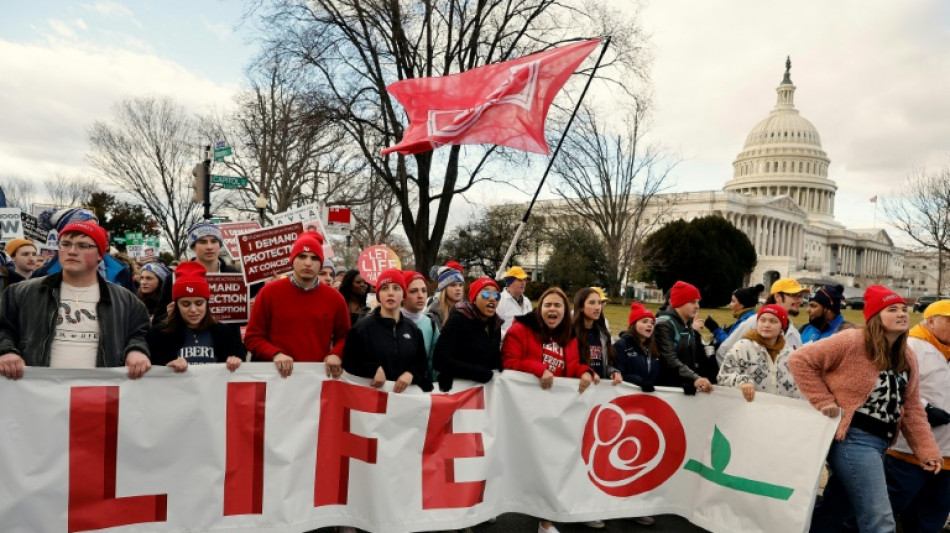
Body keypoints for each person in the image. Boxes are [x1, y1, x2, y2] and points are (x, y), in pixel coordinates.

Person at [789, 285, 941, 533]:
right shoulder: (852, 340)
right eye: (892, 309)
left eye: (904, 308)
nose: (902, 313)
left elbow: (911, 408)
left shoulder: (907, 356)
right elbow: (800, 360)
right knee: (880, 521)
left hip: (881, 444)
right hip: (852, 439)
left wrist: (927, 450)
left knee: (836, 511)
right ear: (875, 316)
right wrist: (822, 399)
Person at [0, 221, 151, 380]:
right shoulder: (21, 293)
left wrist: (136, 350)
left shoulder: (125, 300)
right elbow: (4, 329)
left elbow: (139, 334)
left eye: (82, 246)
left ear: (100, 254)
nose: (72, 251)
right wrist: (6, 351)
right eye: (65, 244)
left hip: (99, 394)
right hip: (39, 393)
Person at [501, 286, 593, 533]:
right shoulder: (520, 329)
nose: (553, 309)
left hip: (555, 413)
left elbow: (571, 366)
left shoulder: (569, 335)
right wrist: (538, 369)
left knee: (554, 468)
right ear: (539, 308)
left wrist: (585, 372)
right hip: (524, 412)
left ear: (565, 311)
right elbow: (509, 362)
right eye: (548, 305)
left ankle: (546, 522)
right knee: (521, 466)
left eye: (558, 306)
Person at [244, 231, 348, 379]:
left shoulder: (335, 298)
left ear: (321, 262)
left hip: (316, 381)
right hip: (276, 380)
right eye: (302, 256)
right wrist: (275, 354)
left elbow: (345, 336)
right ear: (292, 259)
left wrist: (336, 353)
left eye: (314, 258)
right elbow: (253, 337)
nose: (308, 263)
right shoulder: (269, 293)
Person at [884, 300, 950, 532]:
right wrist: (925, 408)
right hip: (908, 453)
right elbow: (892, 385)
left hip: (947, 456)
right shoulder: (911, 346)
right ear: (930, 321)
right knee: (887, 512)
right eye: (949, 320)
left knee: (930, 517)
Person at [342, 268, 433, 392]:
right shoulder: (361, 329)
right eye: (385, 288)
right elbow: (348, 362)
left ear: (403, 295)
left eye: (396, 288)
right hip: (371, 401)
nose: (390, 293)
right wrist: (372, 369)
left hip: (405, 402)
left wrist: (411, 374)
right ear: (378, 295)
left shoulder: (414, 330)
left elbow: (421, 365)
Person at [145, 262, 243, 371]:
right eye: (186, 304)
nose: (193, 310)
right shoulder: (158, 335)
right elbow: (151, 375)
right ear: (176, 305)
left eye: (199, 303)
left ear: (207, 304)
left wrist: (235, 361)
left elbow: (239, 368)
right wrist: (166, 368)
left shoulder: (223, 333)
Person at [32, 208, 135, 292]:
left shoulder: (121, 271)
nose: (93, 233)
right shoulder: (42, 275)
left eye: (95, 228)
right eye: (84, 230)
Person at [717, 304, 800, 401]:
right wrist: (742, 382)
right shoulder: (742, 347)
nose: (766, 325)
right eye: (762, 320)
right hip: (749, 410)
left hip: (781, 411)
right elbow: (723, 377)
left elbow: (799, 389)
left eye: (773, 321)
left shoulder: (790, 355)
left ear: (782, 328)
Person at [433, 276, 503, 392]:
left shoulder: (495, 324)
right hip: (455, 390)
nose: (492, 299)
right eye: (486, 294)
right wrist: (477, 372)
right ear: (474, 299)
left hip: (483, 391)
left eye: (496, 295)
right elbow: (440, 360)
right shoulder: (459, 320)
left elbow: (493, 357)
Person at [717, 278, 808, 360]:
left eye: (801, 296)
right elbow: (724, 352)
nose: (800, 300)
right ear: (777, 297)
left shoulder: (794, 334)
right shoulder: (754, 322)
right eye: (795, 296)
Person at [654, 281, 716, 393]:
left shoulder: (686, 323)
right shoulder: (664, 324)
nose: (697, 306)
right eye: (692, 302)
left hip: (684, 384)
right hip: (667, 389)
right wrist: (694, 378)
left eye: (698, 302)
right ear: (679, 302)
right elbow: (669, 359)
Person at [571, 288, 621, 386]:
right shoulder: (570, 333)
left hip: (598, 391)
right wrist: (585, 372)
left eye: (599, 303)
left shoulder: (603, 334)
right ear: (581, 306)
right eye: (592, 303)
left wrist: (613, 372)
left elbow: (605, 364)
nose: (598, 307)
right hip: (576, 389)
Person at [705, 283, 763, 358]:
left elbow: (729, 345)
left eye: (733, 301)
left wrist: (715, 329)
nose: (730, 304)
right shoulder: (746, 318)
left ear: (742, 304)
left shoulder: (746, 322)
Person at [401, 270, 439, 382]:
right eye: (413, 291)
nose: (421, 296)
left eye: (424, 291)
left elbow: (434, 362)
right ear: (403, 294)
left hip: (421, 392)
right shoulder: (391, 322)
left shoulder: (431, 324)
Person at [614, 303, 661, 392]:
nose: (650, 325)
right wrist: (640, 381)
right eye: (644, 321)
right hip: (628, 396)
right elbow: (620, 374)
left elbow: (661, 374)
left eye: (652, 323)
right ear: (633, 324)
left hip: (651, 397)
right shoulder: (622, 345)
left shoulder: (654, 347)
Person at [497, 265, 533, 338]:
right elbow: (493, 328)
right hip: (505, 346)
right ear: (510, 283)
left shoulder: (527, 301)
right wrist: (508, 336)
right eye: (520, 280)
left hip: (525, 345)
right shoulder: (499, 301)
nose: (523, 283)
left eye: (524, 279)